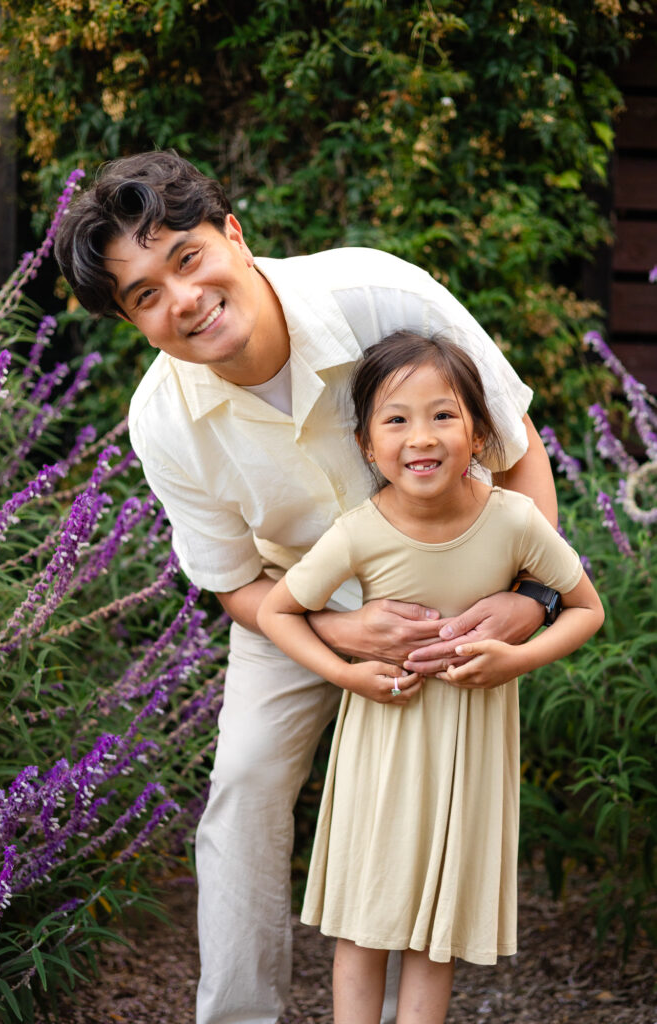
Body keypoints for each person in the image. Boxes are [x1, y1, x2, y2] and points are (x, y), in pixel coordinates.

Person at [55, 149, 562, 1024]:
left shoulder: (381, 297)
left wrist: (531, 599)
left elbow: (517, 452)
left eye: (186, 258)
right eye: (144, 295)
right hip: (290, 602)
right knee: (245, 784)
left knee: (434, 794)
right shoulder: (164, 421)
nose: (182, 299)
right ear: (134, 320)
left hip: (453, 583)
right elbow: (232, 583)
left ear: (234, 236)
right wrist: (338, 638)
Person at [258, 331, 604, 1024]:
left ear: (478, 432)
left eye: (443, 415)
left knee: (435, 935)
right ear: (366, 444)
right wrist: (344, 675)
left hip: (469, 754)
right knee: (365, 922)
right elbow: (277, 610)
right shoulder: (360, 532)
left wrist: (518, 657)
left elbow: (585, 609)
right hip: (382, 748)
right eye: (396, 419)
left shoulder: (514, 520)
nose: (422, 436)